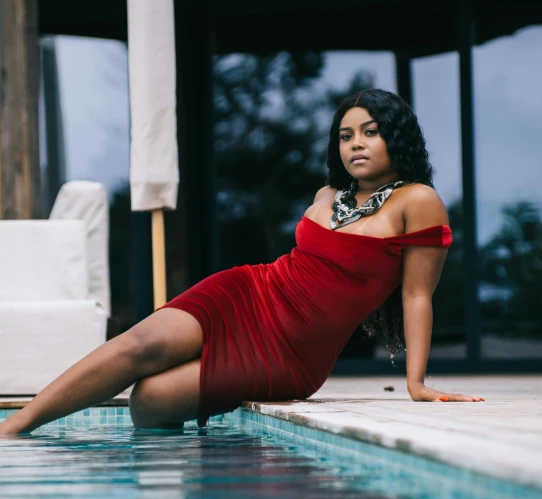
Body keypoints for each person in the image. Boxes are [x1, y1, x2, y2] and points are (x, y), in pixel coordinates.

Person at [0, 89, 483, 436]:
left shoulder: (417, 201)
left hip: (290, 353)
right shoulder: (328, 194)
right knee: (139, 343)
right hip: (248, 292)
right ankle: (16, 425)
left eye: (370, 133)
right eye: (345, 135)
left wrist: (416, 383)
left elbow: (417, 295)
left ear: (396, 138)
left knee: (148, 406)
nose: (355, 143)